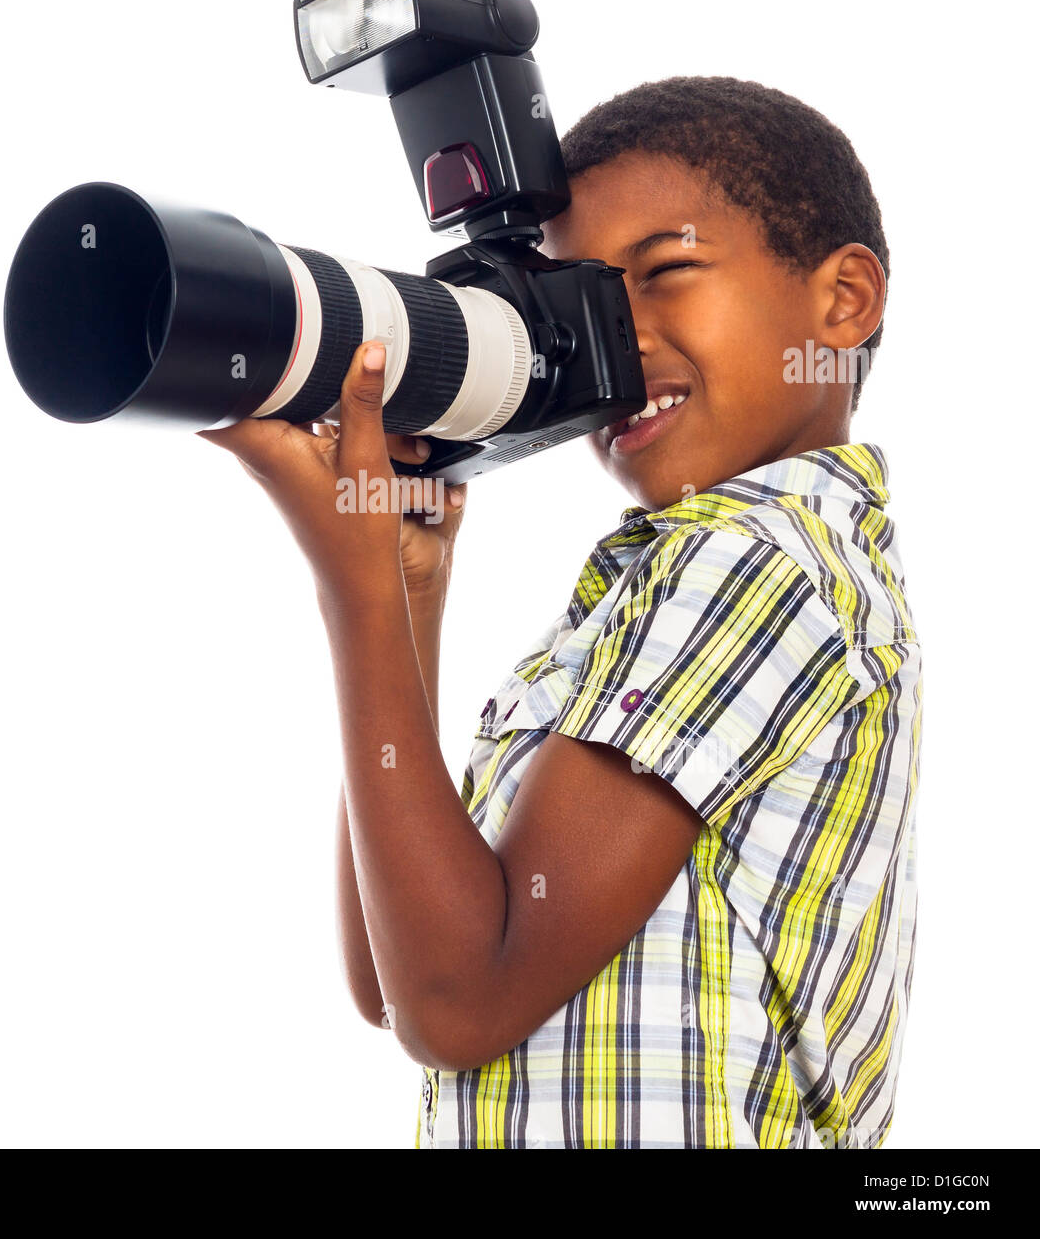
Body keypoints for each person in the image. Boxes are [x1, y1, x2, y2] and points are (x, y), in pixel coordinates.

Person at [198, 76, 921, 1149]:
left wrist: (351, 595)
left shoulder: (750, 566)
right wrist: (402, 604)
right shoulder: (679, 584)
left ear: (842, 302)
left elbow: (457, 1002)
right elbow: (395, 981)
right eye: (576, 303)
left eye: (666, 272)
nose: (613, 343)